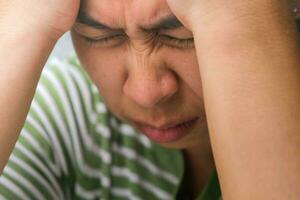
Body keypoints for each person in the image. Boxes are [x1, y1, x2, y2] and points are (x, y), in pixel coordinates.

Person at [0, 0, 300, 199]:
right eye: (98, 35)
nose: (146, 93)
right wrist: (17, 26)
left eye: (184, 36)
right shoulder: (70, 108)